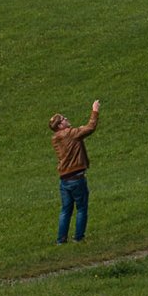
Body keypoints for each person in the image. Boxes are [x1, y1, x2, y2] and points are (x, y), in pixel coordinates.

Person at [49, 99, 100, 243]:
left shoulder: (55, 138)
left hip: (64, 179)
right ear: (60, 125)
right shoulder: (71, 134)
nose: (66, 119)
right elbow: (91, 127)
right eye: (63, 119)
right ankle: (78, 238)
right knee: (82, 208)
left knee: (65, 210)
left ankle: (61, 239)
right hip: (77, 178)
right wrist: (95, 110)